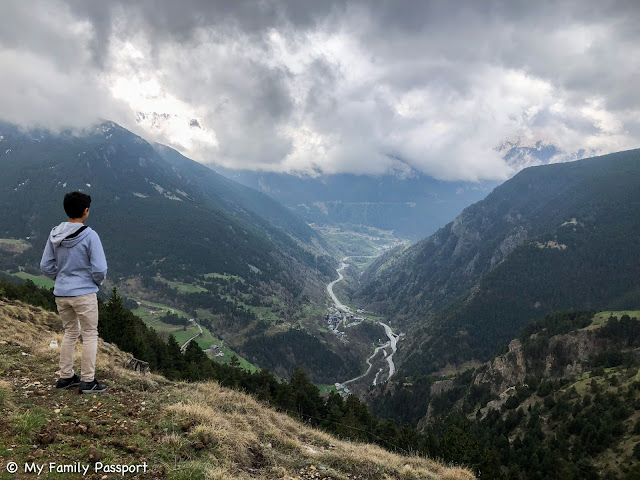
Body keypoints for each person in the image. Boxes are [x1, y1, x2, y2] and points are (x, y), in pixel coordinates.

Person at [40, 191, 108, 394]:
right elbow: (100, 269)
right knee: (89, 334)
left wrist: (61, 278)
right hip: (84, 293)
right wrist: (94, 282)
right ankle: (88, 381)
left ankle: (66, 377)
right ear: (86, 211)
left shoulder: (54, 234)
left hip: (61, 293)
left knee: (70, 332)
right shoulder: (90, 235)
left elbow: (45, 265)